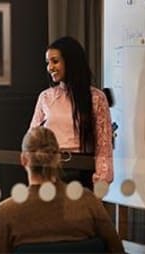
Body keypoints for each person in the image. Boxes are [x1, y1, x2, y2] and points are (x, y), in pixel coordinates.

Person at [0, 127, 124, 254]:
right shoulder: (88, 202)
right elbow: (117, 250)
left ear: (23, 159)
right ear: (58, 158)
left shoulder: (7, 212)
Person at [29, 36, 113, 189]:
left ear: (71, 61)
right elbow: (32, 139)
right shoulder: (45, 97)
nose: (50, 68)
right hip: (50, 171)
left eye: (55, 61)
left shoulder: (96, 98)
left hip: (83, 173)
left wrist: (102, 180)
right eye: (48, 63)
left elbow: (104, 144)